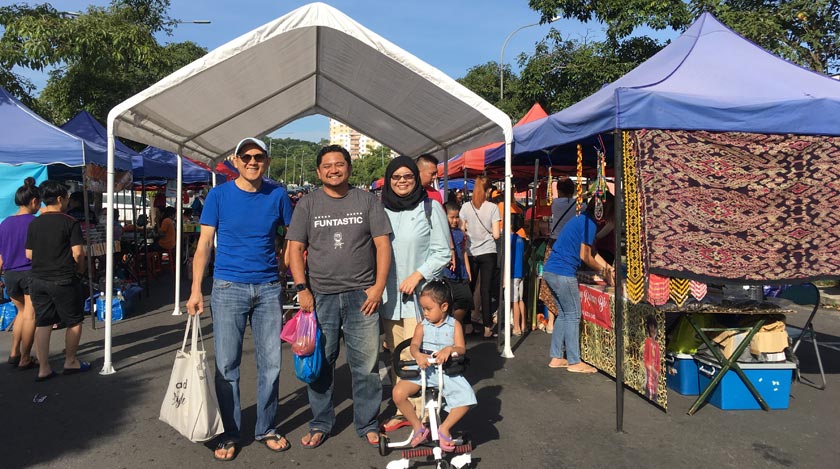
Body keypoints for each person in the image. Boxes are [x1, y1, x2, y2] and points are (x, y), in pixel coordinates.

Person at [186, 137, 294, 461]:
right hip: (227, 288)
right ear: (235, 160)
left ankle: (266, 428)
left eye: (258, 156)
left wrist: (284, 263)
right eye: (245, 156)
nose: (251, 161)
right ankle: (231, 432)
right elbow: (204, 244)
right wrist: (195, 289)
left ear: (267, 161)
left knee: (271, 364)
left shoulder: (277, 194)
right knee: (227, 365)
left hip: (268, 288)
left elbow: (293, 236)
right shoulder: (218, 195)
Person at [286, 144, 392, 450]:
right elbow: (294, 249)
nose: (334, 169)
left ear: (348, 167)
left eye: (339, 164)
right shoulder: (307, 204)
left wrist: (377, 286)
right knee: (321, 364)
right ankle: (321, 422)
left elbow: (383, 245)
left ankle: (367, 422)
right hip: (321, 296)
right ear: (319, 172)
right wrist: (302, 288)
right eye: (327, 166)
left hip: (363, 295)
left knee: (366, 365)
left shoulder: (367, 200)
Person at [379, 156, 450, 432]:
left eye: (407, 176)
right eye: (396, 177)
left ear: (416, 177)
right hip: (388, 299)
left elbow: (442, 251)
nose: (402, 182)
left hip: (419, 299)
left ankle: (422, 413)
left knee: (416, 354)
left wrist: (418, 274)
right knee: (397, 357)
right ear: (388, 180)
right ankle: (402, 410)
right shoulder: (380, 208)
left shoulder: (431, 208)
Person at [392, 281, 476, 450]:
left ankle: (444, 428)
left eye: (428, 309)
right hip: (424, 370)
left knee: (468, 399)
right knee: (398, 393)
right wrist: (417, 354)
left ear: (444, 306)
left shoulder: (455, 325)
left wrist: (449, 349)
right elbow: (414, 345)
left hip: (446, 371)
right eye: (423, 309)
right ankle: (418, 427)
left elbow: (461, 348)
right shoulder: (422, 325)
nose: (425, 313)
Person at [543, 193, 615, 373]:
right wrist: (604, 272)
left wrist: (609, 270)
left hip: (551, 270)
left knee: (564, 314)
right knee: (573, 315)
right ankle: (574, 361)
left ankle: (557, 357)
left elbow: (593, 252)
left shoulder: (582, 220)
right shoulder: (588, 223)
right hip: (563, 272)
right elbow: (585, 256)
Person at [25, 181, 88, 381]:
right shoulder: (70, 222)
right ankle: (70, 361)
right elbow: (78, 253)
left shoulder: (34, 223)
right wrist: (79, 271)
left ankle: (43, 368)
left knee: (43, 322)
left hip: (37, 279)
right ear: (60, 198)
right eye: (67, 198)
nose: (68, 201)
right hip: (63, 278)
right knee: (74, 321)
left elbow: (29, 254)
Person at [0, 177, 40, 369]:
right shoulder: (35, 223)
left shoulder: (5, 223)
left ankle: (14, 352)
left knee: (21, 312)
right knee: (30, 315)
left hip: (9, 274)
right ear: (33, 201)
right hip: (29, 272)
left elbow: (0, 256)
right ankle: (25, 357)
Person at [459, 175, 500, 339]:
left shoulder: (465, 207)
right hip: (488, 251)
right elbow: (496, 235)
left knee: (470, 287)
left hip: (470, 251)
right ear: (488, 190)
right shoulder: (492, 208)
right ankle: (487, 326)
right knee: (486, 289)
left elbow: (461, 230)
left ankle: (468, 324)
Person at [441, 202, 473, 331]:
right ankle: (451, 328)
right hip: (447, 274)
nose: (455, 220)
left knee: (466, 299)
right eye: (452, 217)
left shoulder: (460, 233)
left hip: (461, 273)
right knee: (448, 303)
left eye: (457, 217)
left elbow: (464, 252)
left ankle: (452, 325)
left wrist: (468, 271)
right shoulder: (443, 233)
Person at [510, 218, 526, 336]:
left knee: (514, 301)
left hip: (513, 273)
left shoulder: (509, 240)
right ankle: (523, 325)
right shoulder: (520, 239)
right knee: (520, 299)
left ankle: (516, 327)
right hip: (521, 272)